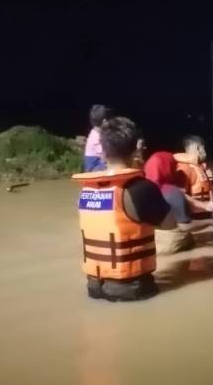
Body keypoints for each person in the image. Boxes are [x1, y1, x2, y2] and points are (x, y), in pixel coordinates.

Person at [72, 117, 175, 301]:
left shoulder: (87, 189)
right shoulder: (141, 188)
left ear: (102, 152)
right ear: (136, 148)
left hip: (94, 286)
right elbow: (170, 223)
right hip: (133, 288)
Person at [145, 152, 212, 254]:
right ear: (167, 168)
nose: (176, 169)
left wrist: (205, 206)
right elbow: (186, 226)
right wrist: (210, 222)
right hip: (173, 245)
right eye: (173, 166)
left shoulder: (143, 189)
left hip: (152, 244)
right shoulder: (172, 192)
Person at [174, 135, 213, 220]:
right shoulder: (185, 168)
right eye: (203, 148)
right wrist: (204, 206)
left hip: (206, 215)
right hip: (193, 219)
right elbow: (179, 195)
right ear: (197, 148)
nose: (205, 152)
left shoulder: (201, 167)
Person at [83, 104, 113, 172]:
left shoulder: (95, 133)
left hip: (96, 165)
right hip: (93, 169)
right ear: (104, 121)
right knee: (116, 163)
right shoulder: (96, 138)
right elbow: (105, 158)